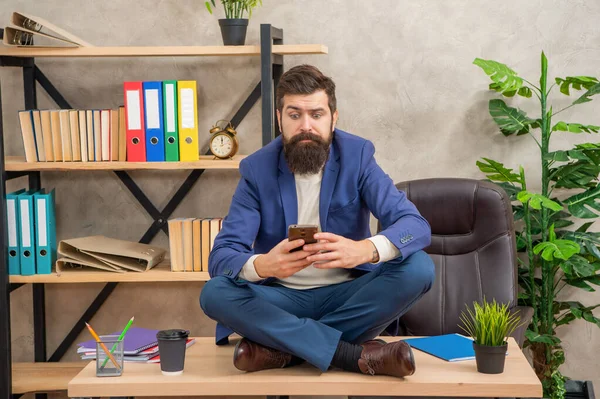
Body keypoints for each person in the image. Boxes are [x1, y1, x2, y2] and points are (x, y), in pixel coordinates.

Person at [200, 64, 435, 378]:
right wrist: (263, 266)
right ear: (279, 118)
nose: (305, 126)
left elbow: (415, 225)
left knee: (419, 268)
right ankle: (350, 355)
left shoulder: (357, 156)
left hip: (349, 294)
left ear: (333, 119)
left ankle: (284, 350)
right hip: (281, 298)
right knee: (215, 293)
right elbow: (222, 257)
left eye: (317, 115)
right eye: (295, 115)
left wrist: (366, 250)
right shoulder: (257, 169)